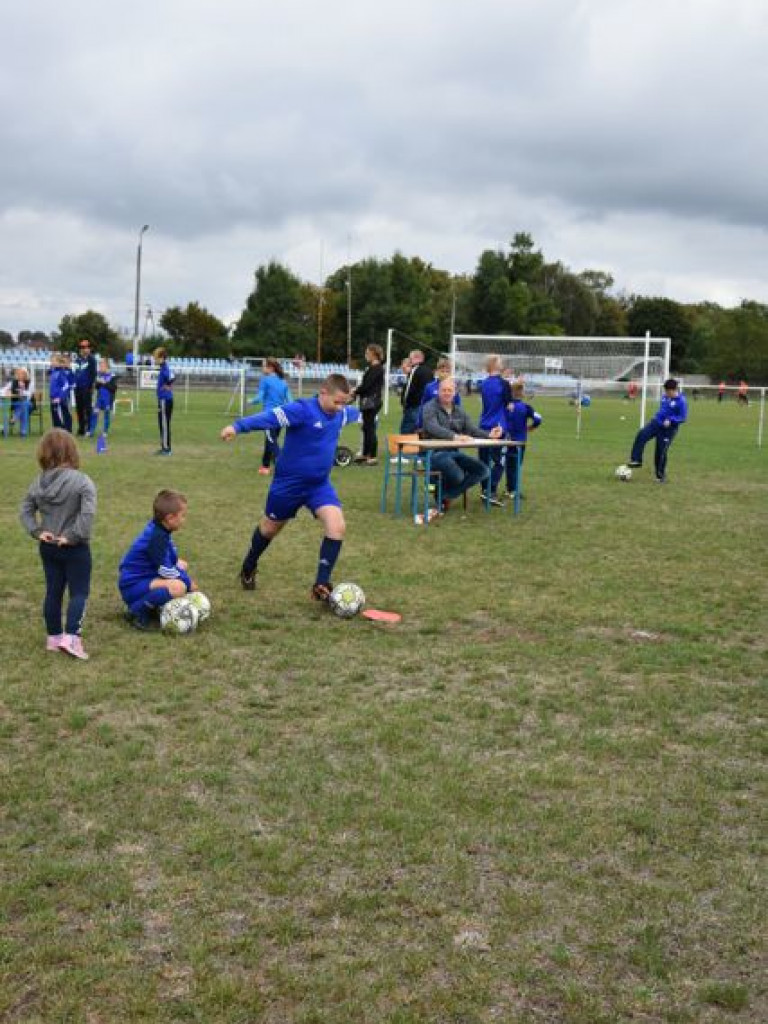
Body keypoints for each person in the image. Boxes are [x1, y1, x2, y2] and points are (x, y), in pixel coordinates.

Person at [220, 373, 361, 601]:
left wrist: (367, 415)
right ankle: (249, 565)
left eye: (343, 402)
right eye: (337, 401)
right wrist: (237, 427)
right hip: (288, 485)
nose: (340, 407)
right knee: (269, 529)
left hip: (319, 486)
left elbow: (354, 413)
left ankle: (321, 584)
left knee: (337, 526)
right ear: (323, 392)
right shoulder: (302, 409)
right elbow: (269, 418)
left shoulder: (340, 413)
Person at [19, 428, 97, 659]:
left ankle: (53, 638)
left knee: (53, 591)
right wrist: (73, 536)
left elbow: (24, 510)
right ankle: (72, 638)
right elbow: (88, 515)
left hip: (48, 547)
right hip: (75, 548)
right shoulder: (83, 482)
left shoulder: (37, 483)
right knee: (79, 592)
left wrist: (37, 531)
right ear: (72, 452)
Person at [421, 377, 503, 512]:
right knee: (459, 476)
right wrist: (455, 436)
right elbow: (432, 427)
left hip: (454, 453)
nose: (447, 393)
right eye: (444, 390)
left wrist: (489, 435)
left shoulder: (459, 410)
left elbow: (471, 429)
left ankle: (446, 495)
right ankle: (438, 489)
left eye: (450, 390)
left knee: (483, 471)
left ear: (455, 393)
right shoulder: (429, 407)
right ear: (438, 391)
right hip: (434, 454)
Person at [119, 489, 197, 629]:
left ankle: (154, 606)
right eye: (183, 516)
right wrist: (187, 582)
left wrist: (179, 569)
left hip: (145, 577)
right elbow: (164, 570)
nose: (184, 520)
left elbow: (170, 558)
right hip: (133, 584)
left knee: (182, 565)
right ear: (170, 518)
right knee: (178, 587)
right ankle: (137, 610)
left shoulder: (161, 529)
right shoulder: (157, 537)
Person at [627, 378, 688, 482]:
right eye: (666, 391)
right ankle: (636, 460)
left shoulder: (681, 401)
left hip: (668, 429)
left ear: (674, 390)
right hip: (656, 423)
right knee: (642, 434)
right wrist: (658, 418)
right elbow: (663, 410)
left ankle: (660, 476)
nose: (666, 393)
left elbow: (683, 417)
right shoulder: (665, 397)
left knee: (660, 451)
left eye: (668, 391)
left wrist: (671, 420)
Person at [249, 358, 292, 474]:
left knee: (271, 441)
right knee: (271, 440)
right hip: (281, 415)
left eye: (264, 366)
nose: (262, 369)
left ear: (271, 368)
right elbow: (290, 400)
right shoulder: (283, 382)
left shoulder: (265, 380)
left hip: (269, 416)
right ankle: (267, 464)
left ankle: (277, 464)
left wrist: (250, 401)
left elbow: (259, 397)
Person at [478, 355, 512, 505]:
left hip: (483, 425)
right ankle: (490, 491)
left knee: (484, 459)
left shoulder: (484, 383)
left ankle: (485, 489)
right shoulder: (504, 384)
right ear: (494, 365)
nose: (502, 363)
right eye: (500, 361)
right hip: (498, 427)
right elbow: (509, 405)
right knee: (499, 461)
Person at [504, 382, 543, 497]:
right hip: (519, 441)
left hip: (505, 439)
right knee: (516, 465)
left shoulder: (505, 406)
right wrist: (531, 427)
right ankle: (513, 490)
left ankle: (509, 488)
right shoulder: (526, 407)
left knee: (508, 465)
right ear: (521, 392)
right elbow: (538, 419)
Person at [351, 344, 385, 465]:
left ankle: (371, 456)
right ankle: (366, 454)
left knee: (370, 428)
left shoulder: (377, 368)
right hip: (369, 401)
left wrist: (355, 391)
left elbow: (367, 386)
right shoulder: (372, 368)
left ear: (373, 353)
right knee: (367, 428)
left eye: (367, 352)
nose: (365, 355)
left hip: (371, 402)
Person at [417, 357, 461, 430]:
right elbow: (423, 405)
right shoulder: (430, 387)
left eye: (447, 371)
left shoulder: (454, 387)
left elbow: (458, 407)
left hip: (449, 424)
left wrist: (459, 424)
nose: (444, 374)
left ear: (450, 373)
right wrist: (419, 423)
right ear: (437, 371)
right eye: (442, 371)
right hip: (432, 422)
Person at [399, 349, 433, 434]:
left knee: (406, 431)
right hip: (420, 406)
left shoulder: (417, 370)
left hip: (415, 406)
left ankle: (405, 447)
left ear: (417, 358)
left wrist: (408, 402)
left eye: (410, 359)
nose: (409, 361)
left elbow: (413, 389)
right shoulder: (427, 370)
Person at [73, 339, 97, 437]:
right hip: (77, 387)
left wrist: (90, 386)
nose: (84, 349)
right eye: (82, 347)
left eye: (86, 347)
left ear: (89, 348)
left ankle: (89, 429)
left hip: (87, 387)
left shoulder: (91, 359)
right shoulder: (77, 359)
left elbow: (93, 374)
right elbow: (74, 371)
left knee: (88, 408)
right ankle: (81, 428)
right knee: (79, 408)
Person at [154, 347, 175, 455]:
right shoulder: (163, 368)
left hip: (165, 400)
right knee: (162, 424)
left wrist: (167, 386)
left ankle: (167, 449)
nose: (155, 359)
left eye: (156, 357)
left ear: (162, 358)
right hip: (163, 400)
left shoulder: (165, 368)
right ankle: (164, 447)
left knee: (164, 425)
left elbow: (172, 378)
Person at [2, 367, 33, 437]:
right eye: (18, 373)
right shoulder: (12, 382)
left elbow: (29, 395)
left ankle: (14, 418)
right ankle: (23, 432)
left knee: (25, 403)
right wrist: (7, 391)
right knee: (24, 408)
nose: (19, 375)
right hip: (16, 404)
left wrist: (22, 390)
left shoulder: (30, 383)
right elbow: (3, 390)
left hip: (29, 404)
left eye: (21, 374)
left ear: (25, 375)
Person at [93, 358, 117, 441]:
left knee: (106, 415)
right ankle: (91, 431)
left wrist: (104, 383)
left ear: (106, 366)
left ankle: (105, 431)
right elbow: (96, 387)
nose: (100, 367)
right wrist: (98, 382)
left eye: (102, 365)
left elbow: (113, 388)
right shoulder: (99, 374)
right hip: (99, 398)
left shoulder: (112, 376)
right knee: (95, 413)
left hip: (108, 399)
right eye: (99, 365)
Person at [49, 353, 74, 432]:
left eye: (53, 361)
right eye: (51, 361)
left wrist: (59, 397)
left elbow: (66, 385)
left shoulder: (61, 373)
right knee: (55, 416)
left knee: (62, 416)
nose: (51, 363)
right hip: (53, 398)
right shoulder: (53, 372)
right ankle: (56, 432)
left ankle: (65, 432)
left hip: (60, 399)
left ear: (59, 362)